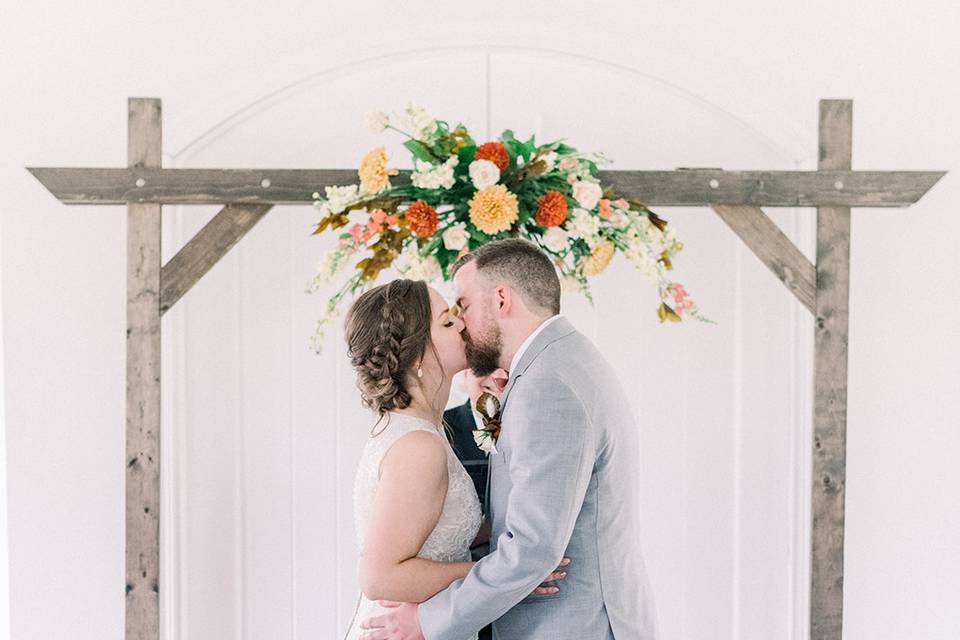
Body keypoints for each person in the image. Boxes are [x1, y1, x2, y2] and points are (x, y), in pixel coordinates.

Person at [359, 239, 661, 639]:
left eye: (462, 306)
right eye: (449, 320)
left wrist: (429, 621)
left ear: (501, 299)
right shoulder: (560, 363)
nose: (461, 322)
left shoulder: (546, 384)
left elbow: (532, 549)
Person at [342, 279, 569, 640]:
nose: (463, 324)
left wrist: (526, 554)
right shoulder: (419, 446)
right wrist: (501, 574)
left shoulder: (422, 428)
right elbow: (379, 578)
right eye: (448, 322)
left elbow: (447, 527)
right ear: (418, 355)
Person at [441, 368, 508, 640]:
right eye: (482, 368)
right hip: (457, 588)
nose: (496, 375)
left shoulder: (527, 423)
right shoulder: (444, 428)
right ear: (465, 373)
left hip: (522, 589)